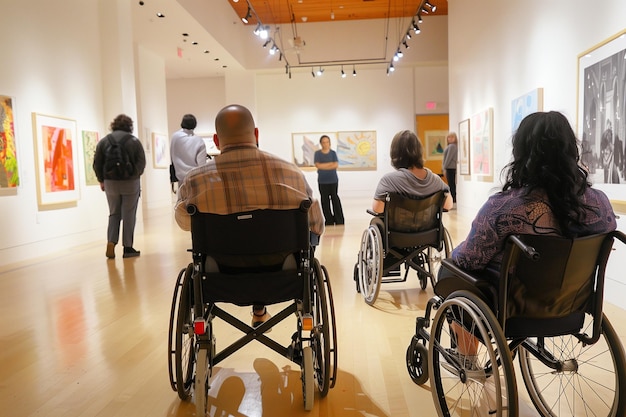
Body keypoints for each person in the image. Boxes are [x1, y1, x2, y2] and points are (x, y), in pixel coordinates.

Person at [436, 111, 617, 360]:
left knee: (449, 273)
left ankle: (466, 358)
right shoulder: (599, 204)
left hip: (514, 309)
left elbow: (470, 260)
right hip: (570, 305)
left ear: (521, 152)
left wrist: (452, 257)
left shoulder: (505, 206)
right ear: (570, 149)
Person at [175, 104, 324, 328]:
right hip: (283, 270)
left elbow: (185, 223)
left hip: (219, 273)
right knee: (308, 238)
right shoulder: (290, 172)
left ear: (216, 140)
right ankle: (264, 307)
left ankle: (255, 308)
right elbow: (316, 223)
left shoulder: (195, 180)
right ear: (256, 134)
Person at [93, 114, 146, 259]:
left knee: (114, 213)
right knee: (129, 214)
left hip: (110, 183)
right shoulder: (134, 141)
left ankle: (111, 241)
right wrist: (134, 174)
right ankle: (128, 248)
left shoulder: (104, 142)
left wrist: (101, 180)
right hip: (130, 183)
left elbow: (97, 163)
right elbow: (141, 162)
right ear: (129, 126)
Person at [372, 130, 453, 214]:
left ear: (394, 153)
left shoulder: (389, 180)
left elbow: (378, 209)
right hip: (428, 226)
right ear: (420, 151)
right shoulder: (435, 180)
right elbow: (448, 205)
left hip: (397, 227)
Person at [314, 135, 345, 225]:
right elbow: (318, 165)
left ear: (329, 143)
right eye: (323, 142)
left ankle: (339, 220)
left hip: (333, 180)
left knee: (335, 198)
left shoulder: (333, 153)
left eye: (327, 142)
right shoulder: (317, 154)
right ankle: (329, 220)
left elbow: (335, 165)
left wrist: (324, 166)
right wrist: (330, 164)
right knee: (325, 200)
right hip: (322, 181)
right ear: (321, 143)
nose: (325, 144)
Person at [170, 113, 207, 183]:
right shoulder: (199, 141)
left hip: (179, 178)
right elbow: (202, 165)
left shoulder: (175, 137)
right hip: (195, 178)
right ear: (195, 124)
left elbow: (172, 157)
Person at [442, 131, 458, 204]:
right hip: (450, 167)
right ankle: (453, 199)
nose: (450, 139)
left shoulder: (452, 146)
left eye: (452, 137)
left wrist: (444, 167)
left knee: (451, 185)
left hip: (450, 168)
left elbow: (448, 158)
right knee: (451, 184)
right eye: (449, 137)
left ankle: (453, 199)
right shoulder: (451, 146)